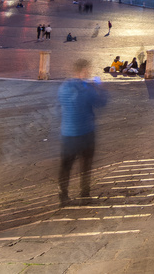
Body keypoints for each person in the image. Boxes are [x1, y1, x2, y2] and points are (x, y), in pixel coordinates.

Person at [58, 58, 107, 207]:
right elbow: (101, 103)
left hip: (67, 133)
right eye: (87, 70)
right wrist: (100, 87)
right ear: (83, 71)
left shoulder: (64, 87)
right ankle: (84, 194)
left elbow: (60, 105)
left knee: (66, 165)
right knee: (85, 165)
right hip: (85, 132)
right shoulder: (87, 90)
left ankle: (63, 195)